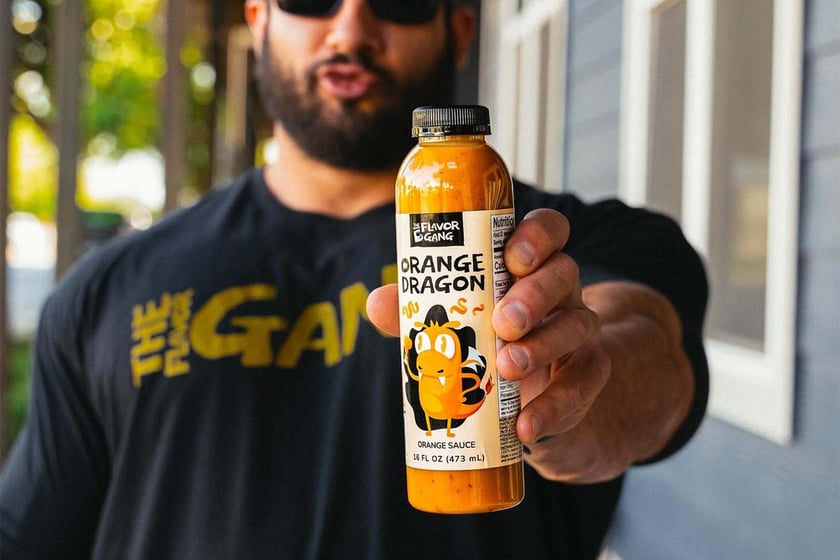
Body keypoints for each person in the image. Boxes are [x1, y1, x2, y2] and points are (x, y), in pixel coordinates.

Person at [0, 0, 708, 558]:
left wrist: (575, 397)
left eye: (399, 1)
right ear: (259, 17)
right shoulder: (104, 292)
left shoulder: (572, 246)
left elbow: (646, 354)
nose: (352, 27)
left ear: (459, 31)